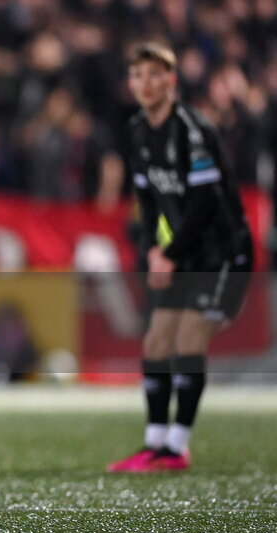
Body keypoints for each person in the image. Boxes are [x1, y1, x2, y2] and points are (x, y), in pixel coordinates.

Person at [107, 43, 253, 473]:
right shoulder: (137, 130)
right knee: (155, 342)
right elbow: (148, 200)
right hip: (181, 254)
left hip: (222, 253)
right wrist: (154, 249)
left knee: (189, 340)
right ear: (131, 83)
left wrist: (169, 254)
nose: (146, 84)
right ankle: (154, 443)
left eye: (155, 75)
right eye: (138, 76)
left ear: (171, 81)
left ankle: (177, 446)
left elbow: (206, 203)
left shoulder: (192, 129)